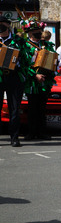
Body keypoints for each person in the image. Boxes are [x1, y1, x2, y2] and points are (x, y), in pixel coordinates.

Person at [21, 17, 56, 141]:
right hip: (32, 81)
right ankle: (31, 132)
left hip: (45, 81)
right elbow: (23, 64)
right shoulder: (25, 46)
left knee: (42, 108)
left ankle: (42, 132)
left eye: (40, 30)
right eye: (36, 30)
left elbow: (53, 60)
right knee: (32, 108)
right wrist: (35, 75)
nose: (39, 32)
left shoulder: (46, 45)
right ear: (29, 33)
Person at [0, 16, 28, 147]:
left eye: (2, 25)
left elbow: (27, 59)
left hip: (14, 77)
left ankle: (15, 137)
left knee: (15, 109)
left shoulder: (19, 41)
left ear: (8, 26)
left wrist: (17, 61)